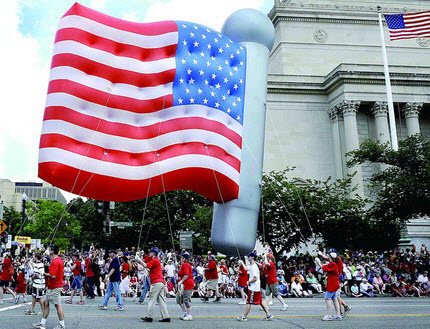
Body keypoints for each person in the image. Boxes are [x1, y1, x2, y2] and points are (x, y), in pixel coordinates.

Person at [33, 245, 66, 329]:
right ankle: (42, 323)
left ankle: (62, 325)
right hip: (52, 286)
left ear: (52, 251)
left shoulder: (55, 262)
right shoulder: (58, 260)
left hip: (55, 286)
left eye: (49, 250)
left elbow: (53, 275)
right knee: (46, 303)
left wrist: (42, 273)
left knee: (57, 305)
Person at [237, 253, 273, 322]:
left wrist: (248, 282)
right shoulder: (252, 265)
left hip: (253, 288)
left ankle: (244, 317)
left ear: (252, 257)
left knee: (248, 302)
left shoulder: (254, 267)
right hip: (256, 288)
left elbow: (255, 278)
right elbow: (246, 268)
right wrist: (242, 262)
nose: (248, 257)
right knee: (261, 302)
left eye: (249, 256)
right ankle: (268, 315)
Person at [138, 247, 171, 323]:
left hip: (156, 282)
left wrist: (139, 260)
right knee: (161, 300)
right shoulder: (155, 260)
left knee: (151, 299)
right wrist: (140, 258)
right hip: (161, 282)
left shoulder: (155, 260)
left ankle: (149, 317)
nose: (149, 253)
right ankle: (166, 317)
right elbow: (145, 262)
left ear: (154, 253)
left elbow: (146, 265)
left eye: (151, 252)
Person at [315, 251, 342, 321]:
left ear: (331, 257)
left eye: (329, 256)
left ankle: (329, 315)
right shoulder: (334, 263)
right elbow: (325, 266)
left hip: (332, 284)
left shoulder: (332, 264)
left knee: (327, 298)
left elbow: (324, 268)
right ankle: (338, 315)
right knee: (334, 299)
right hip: (335, 284)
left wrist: (318, 261)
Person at [177, 253, 194, 321]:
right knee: (179, 299)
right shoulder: (182, 265)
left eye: (181, 258)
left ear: (184, 259)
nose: (180, 259)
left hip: (187, 284)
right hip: (183, 284)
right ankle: (185, 313)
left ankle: (189, 315)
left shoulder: (186, 264)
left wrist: (181, 281)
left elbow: (186, 275)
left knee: (186, 300)